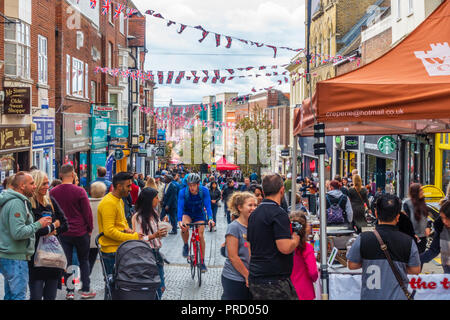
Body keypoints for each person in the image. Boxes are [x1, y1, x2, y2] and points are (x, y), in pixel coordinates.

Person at [347, 194, 421, 300]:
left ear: (376, 214)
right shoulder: (408, 241)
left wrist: (368, 262)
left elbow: (352, 265)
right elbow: (415, 269)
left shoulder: (363, 238)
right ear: (398, 216)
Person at [0, 172, 53, 300]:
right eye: (32, 183)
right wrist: (38, 224)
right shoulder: (16, 203)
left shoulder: (14, 201)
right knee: (18, 295)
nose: (35, 186)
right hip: (15, 257)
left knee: (11, 295)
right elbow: (18, 233)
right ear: (22, 186)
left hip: (11, 256)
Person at [247, 173, 300, 300]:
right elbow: (284, 247)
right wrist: (296, 238)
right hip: (274, 280)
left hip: (256, 276)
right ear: (282, 190)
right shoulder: (279, 214)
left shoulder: (254, 214)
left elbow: (249, 245)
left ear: (263, 191)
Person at [50, 164, 95, 300]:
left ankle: (70, 291)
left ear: (61, 175)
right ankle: (85, 289)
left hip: (64, 232)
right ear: (73, 174)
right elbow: (87, 213)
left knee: (67, 262)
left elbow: (53, 213)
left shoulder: (53, 192)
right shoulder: (80, 191)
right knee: (84, 260)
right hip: (80, 231)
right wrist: (89, 229)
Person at [28, 170, 69, 300]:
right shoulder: (29, 204)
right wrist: (53, 226)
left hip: (52, 256)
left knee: (50, 296)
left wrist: (53, 230)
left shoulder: (50, 200)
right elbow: (34, 230)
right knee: (36, 295)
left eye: (48, 183)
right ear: (36, 184)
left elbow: (65, 224)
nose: (47, 186)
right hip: (35, 257)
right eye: (44, 183)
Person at [97, 172, 140, 280]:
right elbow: (109, 231)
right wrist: (133, 237)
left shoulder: (119, 200)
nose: (130, 189)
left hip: (119, 249)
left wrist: (127, 229)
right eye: (128, 186)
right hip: (111, 252)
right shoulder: (109, 203)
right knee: (115, 286)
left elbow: (121, 223)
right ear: (119, 186)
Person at [132, 188, 169, 299]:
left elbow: (159, 237)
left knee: (161, 286)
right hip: (145, 255)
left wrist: (163, 225)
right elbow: (138, 239)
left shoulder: (154, 214)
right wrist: (154, 236)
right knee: (153, 287)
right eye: (156, 198)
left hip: (156, 254)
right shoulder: (138, 217)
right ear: (149, 200)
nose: (158, 200)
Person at [221, 192, 258, 300]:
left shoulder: (255, 226)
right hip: (235, 278)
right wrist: (247, 276)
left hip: (251, 278)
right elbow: (233, 257)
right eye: (250, 205)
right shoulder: (234, 227)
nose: (254, 208)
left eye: (255, 205)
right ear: (240, 207)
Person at [177, 173, 215, 272]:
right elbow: (180, 207)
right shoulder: (183, 192)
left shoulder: (205, 191)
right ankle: (186, 244)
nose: (192, 187)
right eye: (190, 185)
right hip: (187, 213)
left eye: (193, 185)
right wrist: (179, 220)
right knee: (184, 227)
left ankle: (202, 262)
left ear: (198, 184)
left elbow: (208, 206)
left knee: (201, 235)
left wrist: (210, 218)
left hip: (199, 214)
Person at [289, 211, 318, 300]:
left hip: (287, 290)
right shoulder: (307, 248)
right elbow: (313, 272)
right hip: (304, 291)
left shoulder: (283, 246)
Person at [420, 200, 450, 274]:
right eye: (442, 218)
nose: (444, 221)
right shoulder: (440, 227)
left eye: (447, 218)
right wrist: (415, 260)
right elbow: (433, 250)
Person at [403, 183, 431, 253]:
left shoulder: (422, 201)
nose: (423, 192)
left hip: (423, 236)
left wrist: (428, 227)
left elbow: (426, 217)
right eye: (421, 190)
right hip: (412, 236)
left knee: (421, 258)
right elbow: (406, 221)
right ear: (415, 192)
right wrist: (412, 233)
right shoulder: (407, 203)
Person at [88, 182, 106, 275]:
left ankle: (84, 278)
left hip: (87, 238)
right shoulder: (105, 204)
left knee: (87, 260)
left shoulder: (86, 203)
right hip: (101, 238)